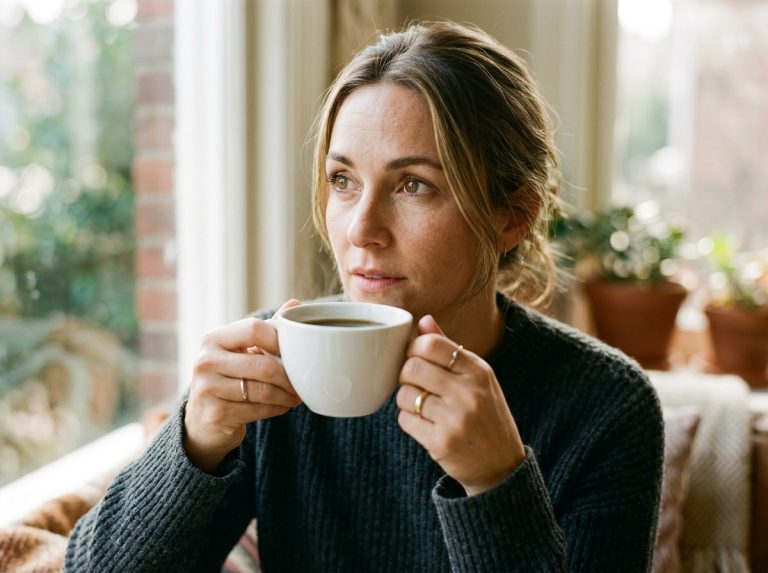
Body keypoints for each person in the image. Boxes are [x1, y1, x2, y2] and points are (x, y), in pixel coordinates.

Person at [65, 21, 663, 572]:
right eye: (343, 181)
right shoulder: (269, 370)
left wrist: (495, 483)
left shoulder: (607, 407)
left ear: (512, 216)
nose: (359, 229)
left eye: (414, 185)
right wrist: (193, 444)